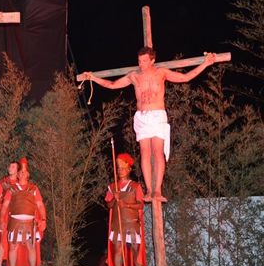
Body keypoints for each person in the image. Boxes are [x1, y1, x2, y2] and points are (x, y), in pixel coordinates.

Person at [85, 47, 216, 202]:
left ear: (152, 60)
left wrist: (205, 64)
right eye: (139, 61)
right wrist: (92, 78)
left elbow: (185, 77)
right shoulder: (134, 76)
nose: (141, 64)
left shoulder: (161, 73)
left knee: (157, 152)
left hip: (157, 115)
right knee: (145, 152)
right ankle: (149, 190)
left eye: (145, 61)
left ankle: (157, 190)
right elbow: (112, 84)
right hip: (142, 117)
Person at [0, 157, 46, 266]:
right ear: (18, 174)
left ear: (28, 174)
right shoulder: (12, 189)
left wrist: (44, 219)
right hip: (14, 221)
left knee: (31, 247)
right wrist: (1, 219)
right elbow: (4, 206)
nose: (22, 173)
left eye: (25, 171)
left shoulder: (34, 189)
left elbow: (40, 205)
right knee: (13, 246)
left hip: (29, 222)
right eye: (20, 171)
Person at [104, 153, 146, 266]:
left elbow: (140, 204)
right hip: (118, 224)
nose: (120, 171)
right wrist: (115, 200)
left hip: (132, 223)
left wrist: (126, 204)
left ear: (129, 169)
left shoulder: (135, 186)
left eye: (123, 168)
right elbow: (109, 204)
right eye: (118, 169)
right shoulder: (112, 187)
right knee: (117, 249)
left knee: (135, 249)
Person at [0, 161, 19, 266]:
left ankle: (13, 265)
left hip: (17, 214)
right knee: (2, 239)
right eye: (9, 165)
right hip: (5, 213)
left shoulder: (21, 183)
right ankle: (0, 264)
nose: (10, 168)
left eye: (13, 166)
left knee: (15, 240)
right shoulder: (3, 182)